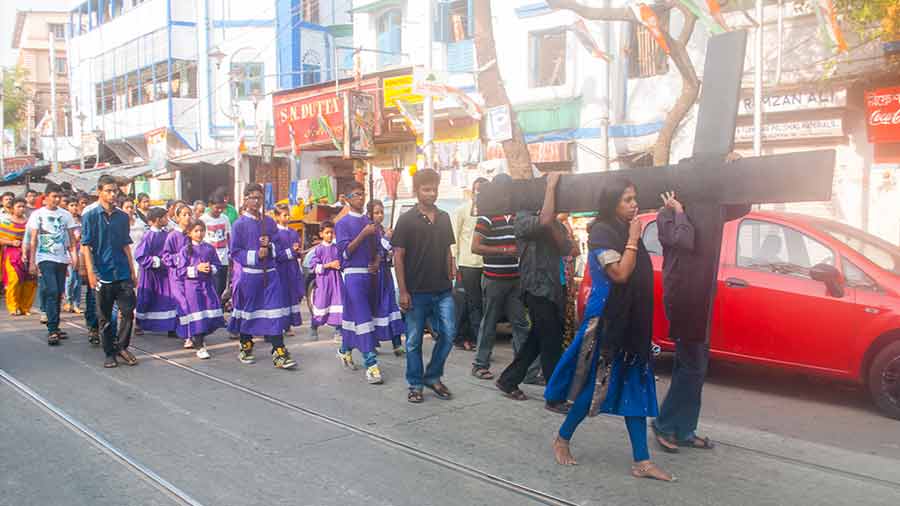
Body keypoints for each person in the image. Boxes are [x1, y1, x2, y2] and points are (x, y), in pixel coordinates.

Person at [545, 178, 674, 482]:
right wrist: (632, 237)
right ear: (612, 202)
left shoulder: (626, 228)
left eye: (634, 198)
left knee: (635, 386)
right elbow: (620, 273)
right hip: (607, 322)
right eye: (627, 199)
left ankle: (641, 461)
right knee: (597, 388)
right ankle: (562, 438)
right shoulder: (604, 232)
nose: (633, 204)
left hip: (632, 324)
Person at [651, 191, 723, 453]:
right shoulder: (666, 215)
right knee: (690, 365)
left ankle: (684, 429)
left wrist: (734, 169)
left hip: (700, 296)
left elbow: (739, 207)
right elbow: (685, 240)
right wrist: (679, 210)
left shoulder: (707, 210)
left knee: (697, 365)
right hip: (682, 295)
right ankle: (664, 423)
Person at [495, 173, 571, 414]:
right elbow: (544, 220)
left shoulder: (555, 221)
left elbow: (568, 248)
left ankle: (508, 380)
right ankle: (555, 396)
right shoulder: (523, 219)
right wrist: (550, 186)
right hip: (537, 287)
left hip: (555, 287)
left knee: (538, 340)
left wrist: (558, 227)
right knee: (550, 343)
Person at [392, 169, 456, 403]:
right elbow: (398, 255)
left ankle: (433, 376)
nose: (431, 193)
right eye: (426, 189)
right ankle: (415, 383)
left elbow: (448, 250)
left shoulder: (444, 217)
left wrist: (452, 270)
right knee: (413, 340)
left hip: (442, 289)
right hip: (416, 292)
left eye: (434, 189)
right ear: (416, 191)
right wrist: (404, 290)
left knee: (449, 334)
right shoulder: (407, 219)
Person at [470, 174, 532, 382]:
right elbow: (475, 246)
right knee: (489, 323)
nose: (506, 194)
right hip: (494, 279)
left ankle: (524, 369)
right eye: (502, 190)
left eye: (509, 190)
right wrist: (504, 249)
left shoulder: (518, 216)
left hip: (516, 278)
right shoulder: (486, 217)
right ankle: (480, 364)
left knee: (520, 324)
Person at [228, 183, 296, 369]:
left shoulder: (269, 222)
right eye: (253, 197)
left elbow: (279, 247)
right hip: (250, 276)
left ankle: (279, 350)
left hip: (271, 275)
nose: (257, 201)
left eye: (259, 198)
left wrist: (270, 246)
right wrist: (256, 255)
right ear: (245, 199)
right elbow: (235, 252)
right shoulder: (239, 225)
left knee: (273, 312)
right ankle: (245, 345)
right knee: (249, 312)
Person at [81, 175, 139, 368]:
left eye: (115, 190)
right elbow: (86, 246)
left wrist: (132, 270)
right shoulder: (89, 215)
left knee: (128, 312)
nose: (113, 194)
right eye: (109, 190)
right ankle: (109, 352)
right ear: (100, 192)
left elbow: (126, 245)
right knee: (105, 317)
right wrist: (90, 272)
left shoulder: (122, 216)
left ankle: (122, 346)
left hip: (122, 272)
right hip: (102, 274)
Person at [334, 182, 384, 385]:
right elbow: (344, 253)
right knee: (363, 317)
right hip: (353, 275)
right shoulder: (342, 223)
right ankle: (371, 363)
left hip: (371, 275)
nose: (361, 198)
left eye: (363, 194)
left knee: (361, 316)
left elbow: (381, 249)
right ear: (347, 199)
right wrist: (363, 234)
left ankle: (345, 349)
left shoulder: (370, 221)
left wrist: (377, 262)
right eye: (356, 195)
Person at [27, 183, 79, 346]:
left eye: (59, 197)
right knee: (52, 290)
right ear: (46, 196)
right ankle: (51, 330)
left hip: (62, 259)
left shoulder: (66, 215)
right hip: (45, 257)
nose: (56, 200)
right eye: (54, 196)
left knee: (58, 294)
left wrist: (74, 256)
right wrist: (32, 262)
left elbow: (71, 238)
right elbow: (33, 239)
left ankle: (55, 326)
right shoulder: (38, 215)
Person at [176, 219, 225, 359]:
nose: (199, 233)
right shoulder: (185, 250)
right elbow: (180, 271)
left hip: (207, 285)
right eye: (196, 231)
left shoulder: (209, 248)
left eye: (202, 230)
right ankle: (199, 344)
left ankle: (199, 336)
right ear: (189, 233)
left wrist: (211, 269)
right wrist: (196, 269)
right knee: (196, 314)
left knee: (207, 313)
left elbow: (218, 265)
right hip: (192, 287)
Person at [452, 178, 486, 352]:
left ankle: (471, 338)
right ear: (472, 191)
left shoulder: (490, 211)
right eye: (477, 190)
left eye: (483, 189)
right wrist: (454, 264)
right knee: (471, 303)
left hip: (486, 264)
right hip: (467, 263)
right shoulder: (462, 210)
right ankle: (473, 340)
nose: (479, 193)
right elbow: (454, 239)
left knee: (477, 303)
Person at [368, 199, 405, 355]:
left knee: (392, 308)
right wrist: (386, 240)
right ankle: (372, 343)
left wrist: (390, 251)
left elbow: (388, 253)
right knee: (375, 309)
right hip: (374, 277)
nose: (380, 215)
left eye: (382, 212)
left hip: (386, 275)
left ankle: (397, 344)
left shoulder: (383, 230)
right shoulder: (369, 231)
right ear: (369, 214)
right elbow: (374, 251)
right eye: (376, 212)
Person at [134, 208, 178, 336]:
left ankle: (171, 326)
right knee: (147, 299)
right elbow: (140, 255)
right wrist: (157, 261)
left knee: (169, 300)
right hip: (150, 275)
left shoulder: (166, 234)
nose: (167, 220)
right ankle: (140, 323)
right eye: (165, 217)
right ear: (158, 220)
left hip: (164, 274)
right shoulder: (149, 236)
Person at [0, 198, 36, 315]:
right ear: (12, 208)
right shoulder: (6, 222)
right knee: (14, 280)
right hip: (12, 255)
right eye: (19, 206)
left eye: (23, 207)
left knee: (29, 281)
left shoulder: (30, 222)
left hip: (29, 253)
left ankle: (25, 307)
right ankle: (13, 306)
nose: (22, 209)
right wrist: (11, 242)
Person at [272, 203, 304, 334]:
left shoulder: (293, 232)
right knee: (282, 296)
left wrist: (298, 253)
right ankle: (281, 324)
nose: (288, 217)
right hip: (281, 269)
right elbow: (277, 255)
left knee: (292, 295)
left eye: (288, 214)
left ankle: (289, 324)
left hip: (292, 269)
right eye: (284, 215)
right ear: (277, 217)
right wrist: (291, 251)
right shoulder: (275, 234)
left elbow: (297, 251)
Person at [163, 204, 192, 346]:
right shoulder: (172, 236)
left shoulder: (192, 234)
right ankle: (186, 334)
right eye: (184, 215)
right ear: (177, 217)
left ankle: (193, 332)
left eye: (189, 214)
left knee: (192, 303)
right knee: (183, 304)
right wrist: (179, 258)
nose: (187, 217)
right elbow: (166, 256)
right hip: (176, 275)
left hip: (191, 275)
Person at [308, 221, 342, 341]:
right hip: (323, 282)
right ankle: (314, 326)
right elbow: (313, 267)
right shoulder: (318, 250)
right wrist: (329, 265)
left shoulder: (337, 248)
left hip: (336, 282)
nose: (330, 235)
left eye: (332, 233)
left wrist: (340, 264)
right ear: (321, 234)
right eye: (327, 233)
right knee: (321, 305)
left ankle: (338, 330)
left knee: (338, 305)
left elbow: (341, 262)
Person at [200, 191, 232, 303]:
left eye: (222, 208)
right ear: (210, 205)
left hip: (224, 259)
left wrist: (230, 253)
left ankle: (219, 312)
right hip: (210, 259)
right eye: (217, 208)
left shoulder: (225, 218)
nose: (219, 210)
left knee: (221, 288)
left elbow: (228, 236)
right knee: (212, 289)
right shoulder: (203, 220)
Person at [62, 197, 84, 314]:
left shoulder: (82, 220)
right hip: (68, 251)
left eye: (76, 205)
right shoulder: (64, 219)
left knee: (78, 280)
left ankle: (76, 304)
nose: (74, 208)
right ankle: (68, 301)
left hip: (81, 252)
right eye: (71, 205)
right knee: (70, 279)